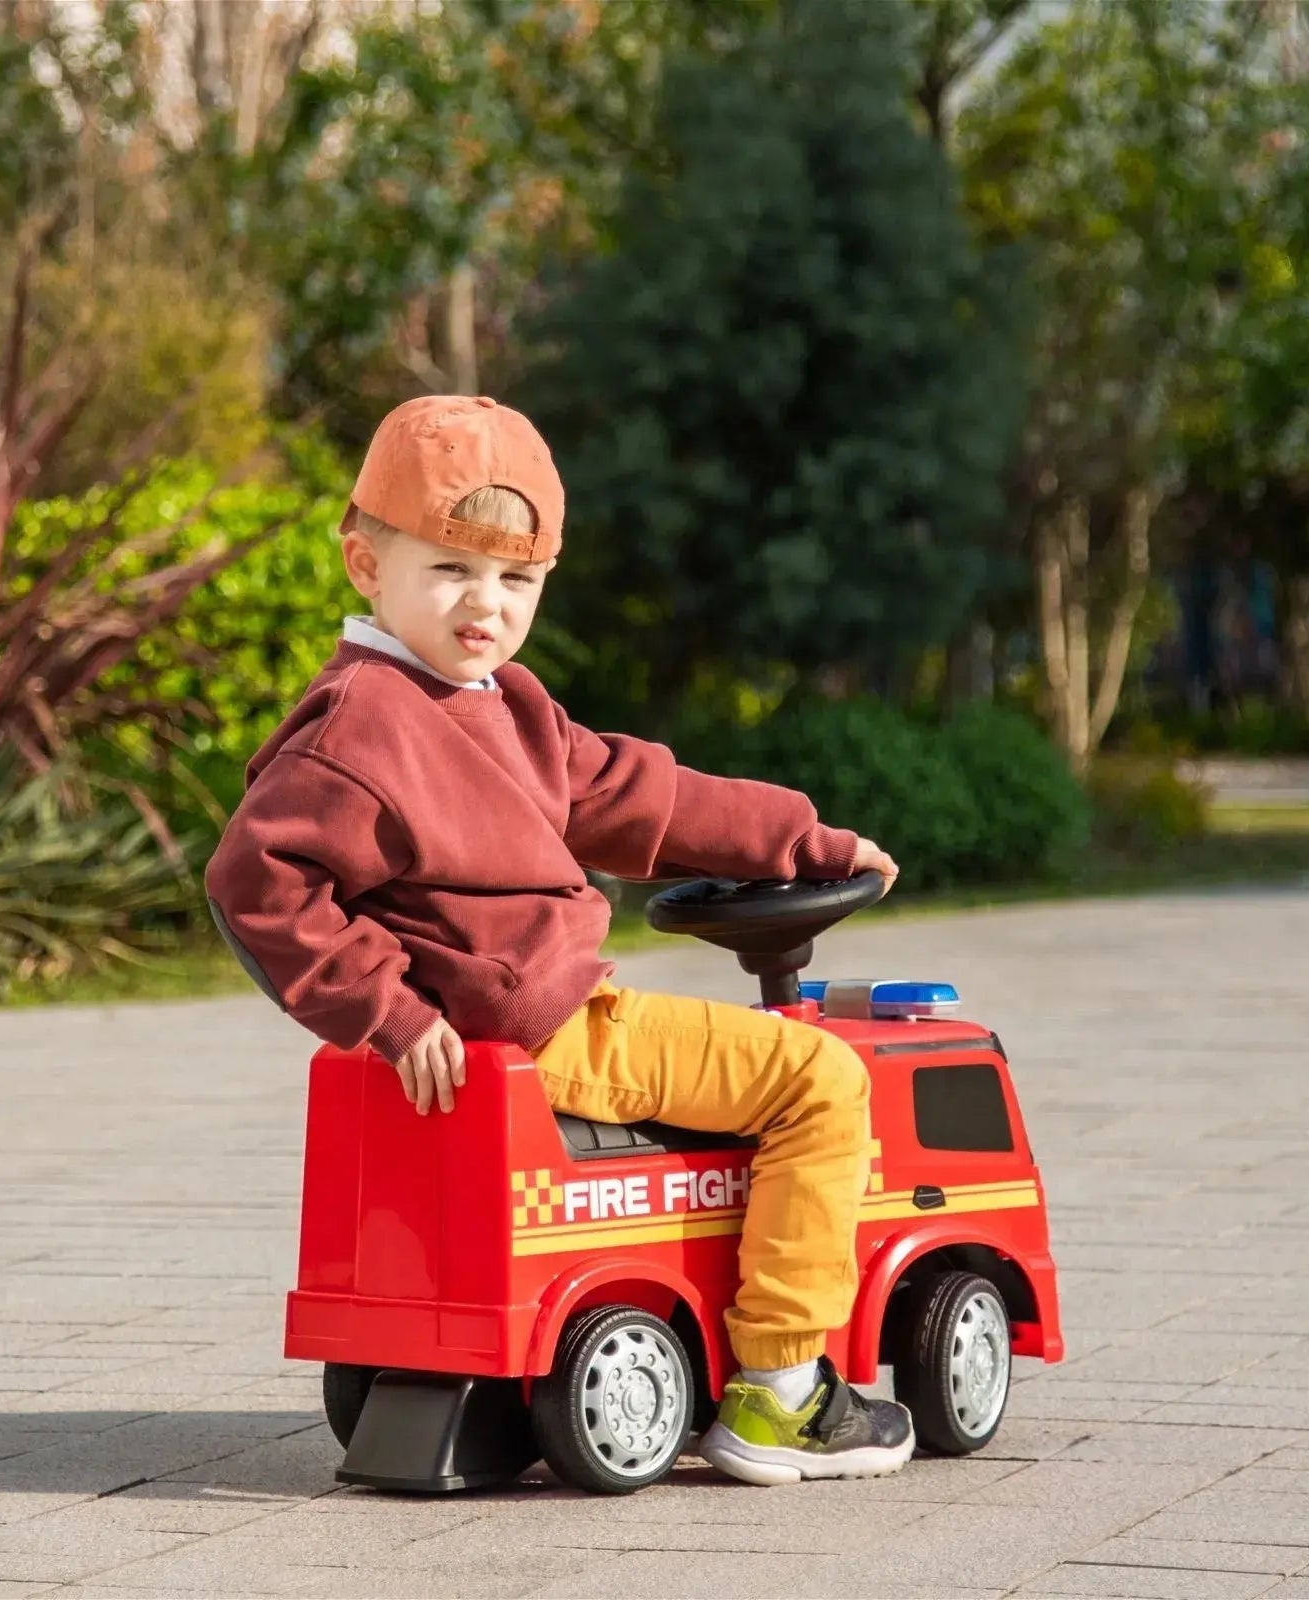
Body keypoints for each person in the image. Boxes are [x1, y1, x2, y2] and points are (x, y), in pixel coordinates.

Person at [205, 395, 915, 1485]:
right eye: (451, 569)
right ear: (366, 564)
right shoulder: (363, 723)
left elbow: (639, 795)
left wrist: (797, 840)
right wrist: (388, 1010)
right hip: (548, 1028)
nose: (485, 603)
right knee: (819, 1079)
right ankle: (781, 1388)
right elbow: (257, 880)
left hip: (541, 1014)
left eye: (516, 579)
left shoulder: (498, 704)